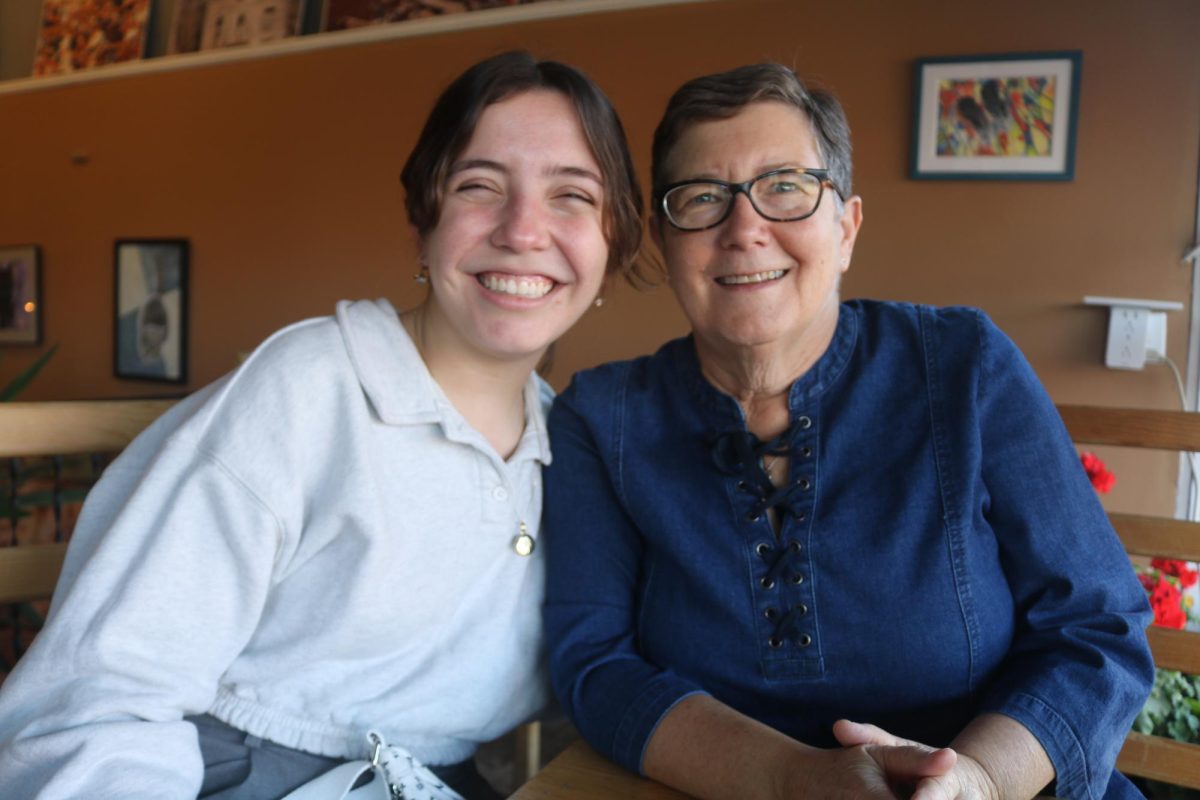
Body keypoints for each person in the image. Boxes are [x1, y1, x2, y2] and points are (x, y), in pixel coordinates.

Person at [0, 50, 642, 799]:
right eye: (479, 186)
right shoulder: (304, 393)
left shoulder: (571, 447)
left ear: (613, 240)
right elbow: (98, 699)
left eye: (572, 196)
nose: (524, 230)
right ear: (422, 220)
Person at [543, 63, 1154, 800]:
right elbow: (596, 664)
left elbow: (1096, 627)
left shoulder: (964, 366)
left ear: (846, 228)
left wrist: (981, 780)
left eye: (786, 188)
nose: (744, 229)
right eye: (702, 198)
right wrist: (787, 776)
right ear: (664, 241)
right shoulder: (601, 417)